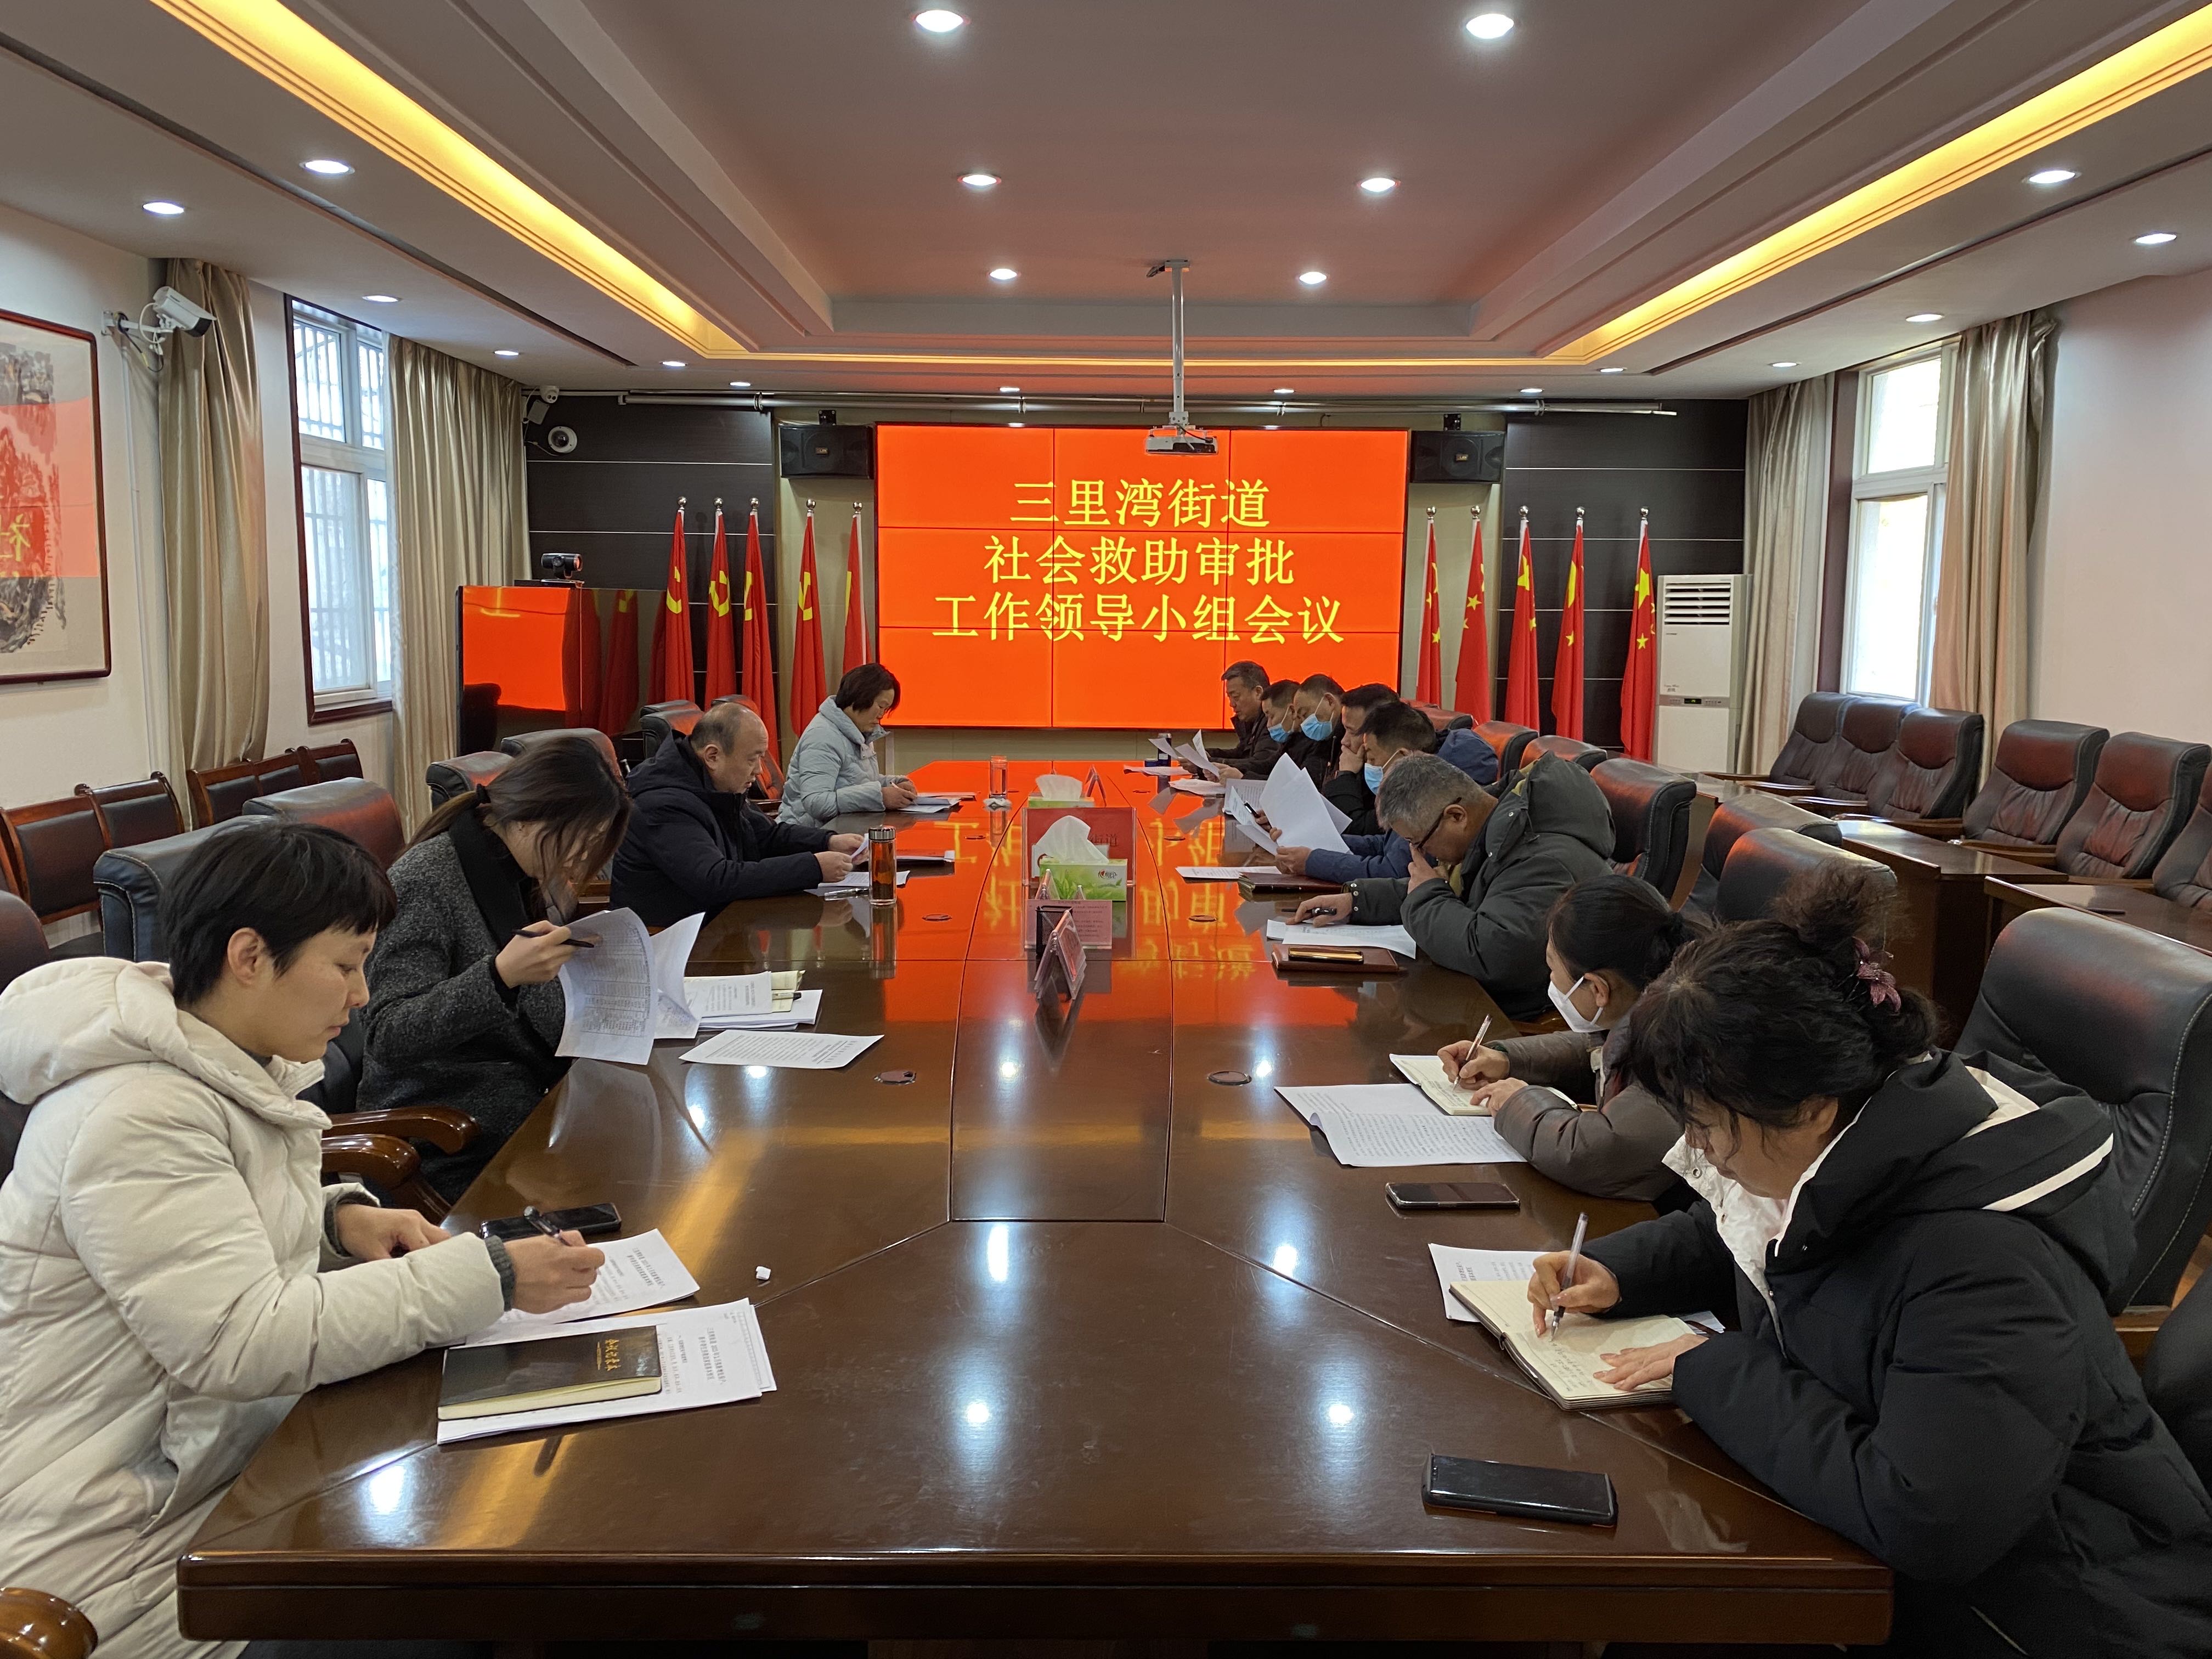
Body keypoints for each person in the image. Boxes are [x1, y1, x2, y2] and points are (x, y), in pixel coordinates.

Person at [1527, 867, 2212, 1658]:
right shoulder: (1860, 1137)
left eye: (1708, 1126)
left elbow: (1928, 1519)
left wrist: (1716, 1369)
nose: (1700, 1151)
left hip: (2053, 1612)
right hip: (1880, 1567)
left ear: (1810, 1108)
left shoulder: (1985, 1265)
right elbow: (1763, 1231)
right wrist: (1619, 1270)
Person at [0, 822, 602, 1659]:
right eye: (347, 966)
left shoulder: (219, 1063)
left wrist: (334, 1222)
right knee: (488, 1590)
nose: (361, 997)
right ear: (250, 957)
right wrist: (492, 1276)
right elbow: (241, 1340)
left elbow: (204, 1236)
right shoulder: (135, 1117)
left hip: (229, 1472)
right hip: (130, 1554)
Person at [358, 735, 632, 1200]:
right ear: (532, 815)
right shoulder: (428, 879)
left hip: (523, 1098)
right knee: (624, 1179)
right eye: (578, 842)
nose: (578, 860)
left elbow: (535, 999)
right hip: (451, 1129)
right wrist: (499, 978)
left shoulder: (515, 869)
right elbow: (388, 1033)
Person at [1436, 873, 1696, 1205]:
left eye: (1552, 968)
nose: (1552, 980)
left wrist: (1517, 1102)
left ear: (1598, 989)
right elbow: (1600, 1051)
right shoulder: (1651, 1006)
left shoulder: (1675, 1048)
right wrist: (1507, 1059)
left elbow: (1590, 1151)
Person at [1293, 751, 1612, 1019]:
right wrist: (1358, 901)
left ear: (1456, 816)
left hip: (1511, 1018)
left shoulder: (1542, 859)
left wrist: (1426, 896)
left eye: (1418, 842)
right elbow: (1448, 889)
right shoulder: (1495, 829)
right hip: (1474, 1001)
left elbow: (1491, 953)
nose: (1418, 853)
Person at [615, 700, 865, 925]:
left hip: (722, 922)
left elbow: (767, 836)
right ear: (713, 756)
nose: (759, 771)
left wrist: (828, 841)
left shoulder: (716, 785)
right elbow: (714, 879)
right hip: (672, 939)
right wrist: (813, 867)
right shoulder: (663, 804)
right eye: (752, 759)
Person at [1278, 701, 1498, 883]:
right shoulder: (1420, 780)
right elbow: (1385, 845)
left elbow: (1395, 870)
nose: (1368, 765)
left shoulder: (1436, 791)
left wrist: (1312, 861)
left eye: (1372, 758)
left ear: (1403, 757)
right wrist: (1316, 843)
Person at [779, 662, 916, 827]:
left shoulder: (857, 730)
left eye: (886, 709)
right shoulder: (823, 736)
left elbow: (856, 780)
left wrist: (893, 784)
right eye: (880, 706)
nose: (882, 715)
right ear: (860, 697)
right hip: (809, 834)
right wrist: (880, 796)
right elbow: (817, 802)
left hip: (842, 830)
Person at [1319, 682, 1403, 831]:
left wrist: (1346, 776)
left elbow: (1356, 828)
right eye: (1345, 729)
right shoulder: (1356, 757)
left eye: (1352, 732)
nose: (1344, 741)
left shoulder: (1403, 777)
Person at [1206, 658, 1273, 769]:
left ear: (1258, 692)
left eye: (1236, 697)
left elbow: (1260, 764)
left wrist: (1210, 763)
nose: (1232, 704)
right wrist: (1209, 754)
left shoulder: (1273, 722)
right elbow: (1241, 753)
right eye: (1230, 697)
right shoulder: (1251, 721)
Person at [1283, 673, 1344, 786]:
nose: (1303, 724)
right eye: (1300, 718)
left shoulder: (1352, 737)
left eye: (1305, 714)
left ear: (1330, 701)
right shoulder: (1325, 740)